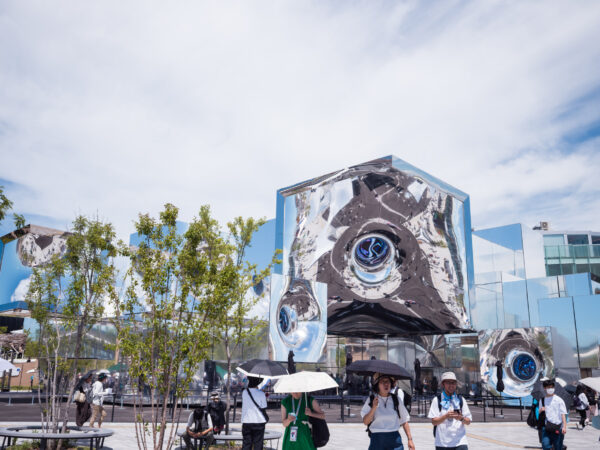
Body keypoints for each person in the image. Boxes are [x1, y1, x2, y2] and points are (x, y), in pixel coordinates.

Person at [361, 373, 415, 450]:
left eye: (388, 381)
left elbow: (404, 421)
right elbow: (366, 422)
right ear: (377, 385)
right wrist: (373, 408)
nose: (386, 384)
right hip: (377, 440)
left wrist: (410, 440)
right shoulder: (371, 399)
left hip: (394, 440)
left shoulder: (396, 399)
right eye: (382, 382)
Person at [428, 371, 472, 450]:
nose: (451, 385)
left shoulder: (461, 399)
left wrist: (460, 418)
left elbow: (468, 421)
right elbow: (434, 422)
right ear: (443, 384)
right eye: (448, 383)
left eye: (453, 383)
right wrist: (445, 416)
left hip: (460, 442)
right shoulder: (437, 400)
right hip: (442, 443)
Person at [539, 379, 567, 450]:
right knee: (545, 445)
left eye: (552, 387)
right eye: (548, 387)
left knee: (558, 447)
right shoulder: (542, 400)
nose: (550, 389)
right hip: (547, 427)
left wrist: (564, 426)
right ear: (545, 388)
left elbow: (563, 414)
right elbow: (539, 412)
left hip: (558, 427)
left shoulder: (559, 400)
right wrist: (541, 410)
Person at [242, 376, 268, 450]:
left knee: (246, 444)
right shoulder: (261, 394)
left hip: (247, 421)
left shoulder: (244, 392)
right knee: (258, 444)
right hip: (259, 421)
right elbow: (264, 407)